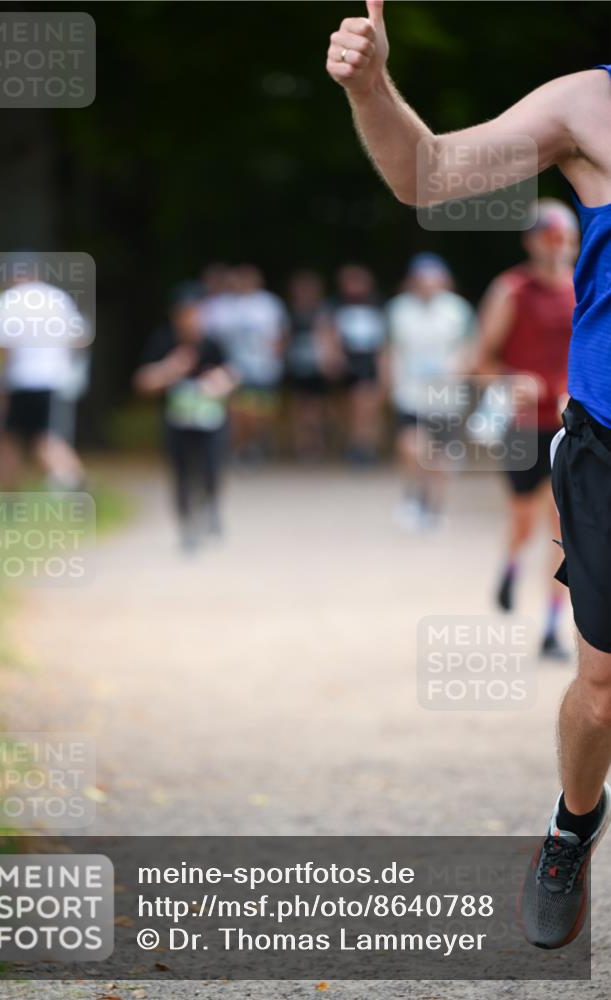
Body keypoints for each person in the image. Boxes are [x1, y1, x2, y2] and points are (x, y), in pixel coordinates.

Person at [327, 1, 611, 950]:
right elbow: (428, 174)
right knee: (602, 690)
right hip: (607, 442)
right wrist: (372, 86)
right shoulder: (588, 105)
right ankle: (572, 826)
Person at [475, 201, 578, 660]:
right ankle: (511, 562)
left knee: (563, 529)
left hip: (569, 429)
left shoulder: (586, 288)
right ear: (531, 242)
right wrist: (509, 380)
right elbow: (480, 360)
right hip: (521, 426)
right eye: (547, 237)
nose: (556, 246)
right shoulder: (511, 290)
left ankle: (552, 629)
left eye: (563, 237)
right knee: (522, 520)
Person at [134, 294, 236, 551]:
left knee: (211, 470)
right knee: (182, 476)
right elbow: (143, 382)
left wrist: (220, 382)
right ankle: (187, 526)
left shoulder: (212, 344)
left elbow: (232, 375)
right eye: (186, 315)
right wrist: (170, 369)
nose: (192, 321)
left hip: (211, 421)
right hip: (177, 422)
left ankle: (209, 506)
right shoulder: (163, 342)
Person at [385, 252, 475, 529]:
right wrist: (389, 384)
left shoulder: (458, 310)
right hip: (410, 392)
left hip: (446, 395)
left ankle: (434, 507)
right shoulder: (398, 310)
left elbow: (472, 347)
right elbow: (388, 349)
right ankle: (413, 495)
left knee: (441, 457)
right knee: (412, 447)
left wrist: (462, 372)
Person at [0, 272, 87, 491]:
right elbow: (79, 340)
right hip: (56, 380)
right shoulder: (58, 298)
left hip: (20, 381)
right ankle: (73, 478)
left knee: (13, 439)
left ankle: (69, 479)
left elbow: (4, 349)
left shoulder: (7, 301)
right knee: (43, 436)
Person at [224, 265, 289, 464]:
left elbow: (282, 332)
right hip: (236, 368)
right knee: (239, 410)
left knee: (262, 411)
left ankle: (258, 444)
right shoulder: (229, 305)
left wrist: (276, 356)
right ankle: (241, 448)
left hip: (264, 367)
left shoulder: (269, 304)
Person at [334, 264, 387, 465]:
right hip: (348, 362)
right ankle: (354, 444)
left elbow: (384, 340)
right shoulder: (336, 306)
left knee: (366, 406)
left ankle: (365, 446)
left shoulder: (378, 305)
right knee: (349, 408)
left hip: (369, 362)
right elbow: (329, 333)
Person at [285, 270, 339, 461]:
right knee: (299, 408)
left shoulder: (324, 311)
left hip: (318, 367)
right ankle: (302, 446)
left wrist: (332, 360)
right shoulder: (291, 311)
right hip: (297, 366)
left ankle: (317, 444)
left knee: (317, 409)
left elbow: (331, 335)